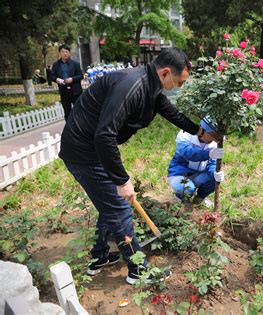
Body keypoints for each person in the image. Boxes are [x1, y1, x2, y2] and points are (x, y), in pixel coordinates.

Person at [59, 47, 220, 285]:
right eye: (179, 81)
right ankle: (138, 271)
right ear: (165, 72)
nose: (180, 86)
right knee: (120, 208)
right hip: (85, 152)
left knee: (109, 205)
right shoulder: (131, 86)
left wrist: (200, 132)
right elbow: (104, 135)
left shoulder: (150, 85)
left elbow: (171, 113)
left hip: (93, 150)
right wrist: (122, 181)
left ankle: (99, 256)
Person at [168, 118, 225, 208]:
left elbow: (212, 164)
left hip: (199, 175)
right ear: (202, 130)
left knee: (214, 178)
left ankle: (199, 198)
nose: (215, 139)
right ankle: (180, 198)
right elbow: (187, 153)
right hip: (179, 174)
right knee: (187, 188)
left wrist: (215, 172)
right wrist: (208, 154)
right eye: (213, 135)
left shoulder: (214, 144)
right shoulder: (185, 135)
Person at [50, 44, 83, 121]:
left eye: (67, 52)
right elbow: (52, 76)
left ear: (69, 53)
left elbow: (81, 76)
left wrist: (72, 79)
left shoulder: (75, 64)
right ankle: (69, 130)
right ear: (60, 53)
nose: (65, 53)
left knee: (78, 111)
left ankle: (81, 129)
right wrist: (57, 79)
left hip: (76, 92)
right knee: (67, 112)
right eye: (63, 52)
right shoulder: (56, 65)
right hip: (64, 91)